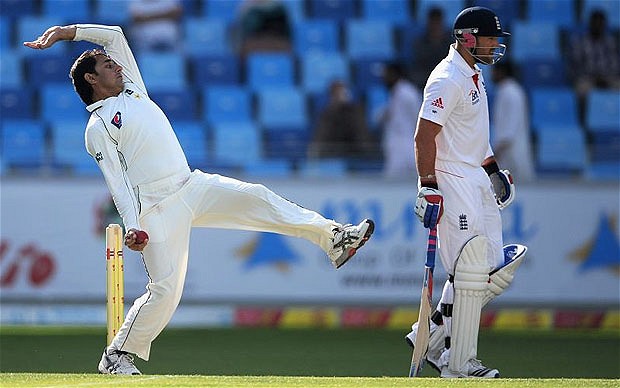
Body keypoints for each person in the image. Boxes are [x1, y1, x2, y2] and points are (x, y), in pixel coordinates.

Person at [24, 24, 374, 375]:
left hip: (192, 185)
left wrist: (66, 32)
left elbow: (114, 34)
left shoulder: (132, 90)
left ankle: (334, 239)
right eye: (106, 64)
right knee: (166, 291)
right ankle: (117, 356)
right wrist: (132, 225)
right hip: (156, 208)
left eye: (113, 62)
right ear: (91, 79)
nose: (116, 64)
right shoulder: (98, 127)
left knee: (258, 198)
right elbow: (118, 183)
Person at [405, 7, 527, 378]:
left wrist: (492, 170)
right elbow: (424, 135)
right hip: (453, 179)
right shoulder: (447, 78)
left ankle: (431, 332)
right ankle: (458, 363)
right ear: (468, 38)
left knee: (493, 269)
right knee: (470, 271)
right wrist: (428, 186)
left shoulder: (473, 74)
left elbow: (476, 134)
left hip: (475, 176)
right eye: (490, 39)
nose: (495, 46)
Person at [490, 61, 536, 183]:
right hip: (508, 149)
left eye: (494, 72)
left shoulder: (511, 93)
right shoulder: (507, 91)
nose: (492, 75)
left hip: (511, 151)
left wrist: (498, 150)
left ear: (501, 72)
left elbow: (510, 125)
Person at [568, 8, 620, 114]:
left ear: (604, 25)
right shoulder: (579, 43)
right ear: (590, 23)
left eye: (600, 23)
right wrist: (595, 78)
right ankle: (584, 122)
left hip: (608, 78)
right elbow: (576, 66)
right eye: (595, 23)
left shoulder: (611, 42)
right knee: (581, 90)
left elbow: (615, 64)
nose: (597, 26)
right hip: (587, 79)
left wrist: (605, 77)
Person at [308, 80, 374, 160]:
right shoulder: (327, 113)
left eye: (343, 93)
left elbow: (363, 137)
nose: (341, 96)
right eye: (336, 94)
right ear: (331, 96)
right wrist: (334, 109)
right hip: (333, 155)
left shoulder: (356, 111)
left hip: (355, 154)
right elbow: (320, 137)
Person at [377, 62, 422, 179]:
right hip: (397, 145)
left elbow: (418, 118)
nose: (384, 78)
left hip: (406, 145)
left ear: (394, 74)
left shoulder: (408, 93)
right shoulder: (395, 93)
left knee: (395, 183)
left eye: (386, 74)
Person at [411, 7, 453, 89]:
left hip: (448, 81)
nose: (435, 26)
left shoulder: (451, 42)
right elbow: (416, 68)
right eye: (433, 22)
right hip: (426, 82)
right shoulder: (419, 43)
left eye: (437, 22)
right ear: (428, 23)